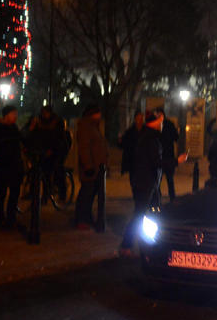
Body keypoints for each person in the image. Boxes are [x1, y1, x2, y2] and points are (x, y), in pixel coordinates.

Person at [119, 111, 188, 255]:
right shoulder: (150, 139)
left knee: (154, 212)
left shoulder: (148, 136)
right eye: (161, 122)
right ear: (155, 123)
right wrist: (177, 161)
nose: (162, 125)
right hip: (145, 183)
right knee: (140, 214)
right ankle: (127, 244)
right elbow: (156, 162)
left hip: (149, 182)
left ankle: (154, 242)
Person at [0, 105, 24, 227]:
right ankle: (0, 217)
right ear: (7, 115)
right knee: (1, 192)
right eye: (14, 114)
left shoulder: (14, 127)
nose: (16, 117)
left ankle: (11, 217)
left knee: (14, 192)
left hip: (14, 165)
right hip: (2, 165)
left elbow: (20, 142)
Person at [75, 104, 109, 230]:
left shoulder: (93, 126)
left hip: (97, 167)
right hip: (91, 168)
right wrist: (88, 165)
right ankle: (81, 219)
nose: (100, 116)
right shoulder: (86, 127)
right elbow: (84, 148)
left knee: (90, 193)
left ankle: (86, 217)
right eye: (98, 113)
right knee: (86, 193)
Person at [27, 105, 69, 202]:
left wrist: (52, 149)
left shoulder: (57, 121)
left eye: (46, 113)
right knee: (40, 171)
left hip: (58, 149)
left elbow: (58, 138)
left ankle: (62, 193)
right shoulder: (38, 120)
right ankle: (39, 194)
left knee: (57, 168)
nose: (44, 115)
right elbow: (33, 135)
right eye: (43, 113)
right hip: (43, 149)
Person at [118, 111, 144, 177]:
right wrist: (120, 141)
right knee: (133, 180)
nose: (140, 121)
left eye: (141, 119)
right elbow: (123, 145)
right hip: (133, 161)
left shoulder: (146, 131)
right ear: (135, 119)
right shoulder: (130, 132)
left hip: (143, 161)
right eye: (138, 119)